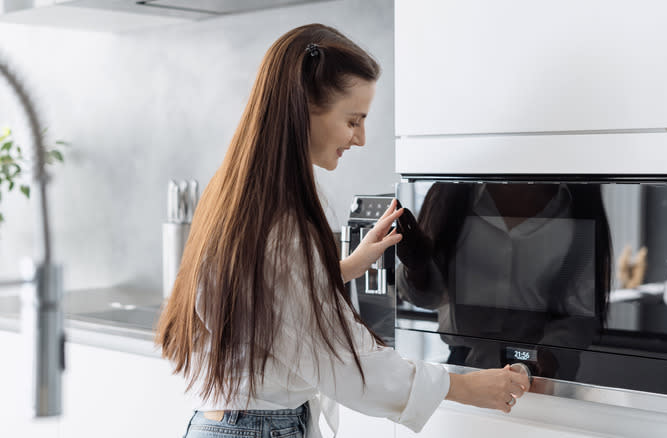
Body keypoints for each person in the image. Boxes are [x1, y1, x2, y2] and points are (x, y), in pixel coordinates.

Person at [155, 24, 530, 438]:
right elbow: (345, 361)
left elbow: (270, 299)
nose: (362, 138)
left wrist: (346, 266)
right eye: (353, 120)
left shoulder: (240, 192)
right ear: (304, 108)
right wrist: (463, 386)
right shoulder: (283, 222)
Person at [396, 182, 612, 377]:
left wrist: (550, 357)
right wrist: (416, 266)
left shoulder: (578, 203)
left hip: (538, 374)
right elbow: (426, 298)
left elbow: (579, 313)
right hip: (462, 370)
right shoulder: (452, 192)